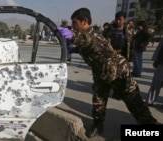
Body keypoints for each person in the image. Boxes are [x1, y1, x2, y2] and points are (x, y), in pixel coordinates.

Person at [57, 7, 157, 138]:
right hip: (101, 72)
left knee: (133, 100)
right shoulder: (88, 35)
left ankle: (150, 127)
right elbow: (89, 48)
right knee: (99, 100)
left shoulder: (92, 34)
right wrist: (75, 49)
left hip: (118, 73)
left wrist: (72, 36)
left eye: (75, 23)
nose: (73, 26)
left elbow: (88, 41)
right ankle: (98, 124)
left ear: (84, 21)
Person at [146, 38, 163, 105]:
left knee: (156, 83)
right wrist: (156, 60)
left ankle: (150, 101)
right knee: (156, 83)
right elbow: (159, 48)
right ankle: (150, 101)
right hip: (161, 64)